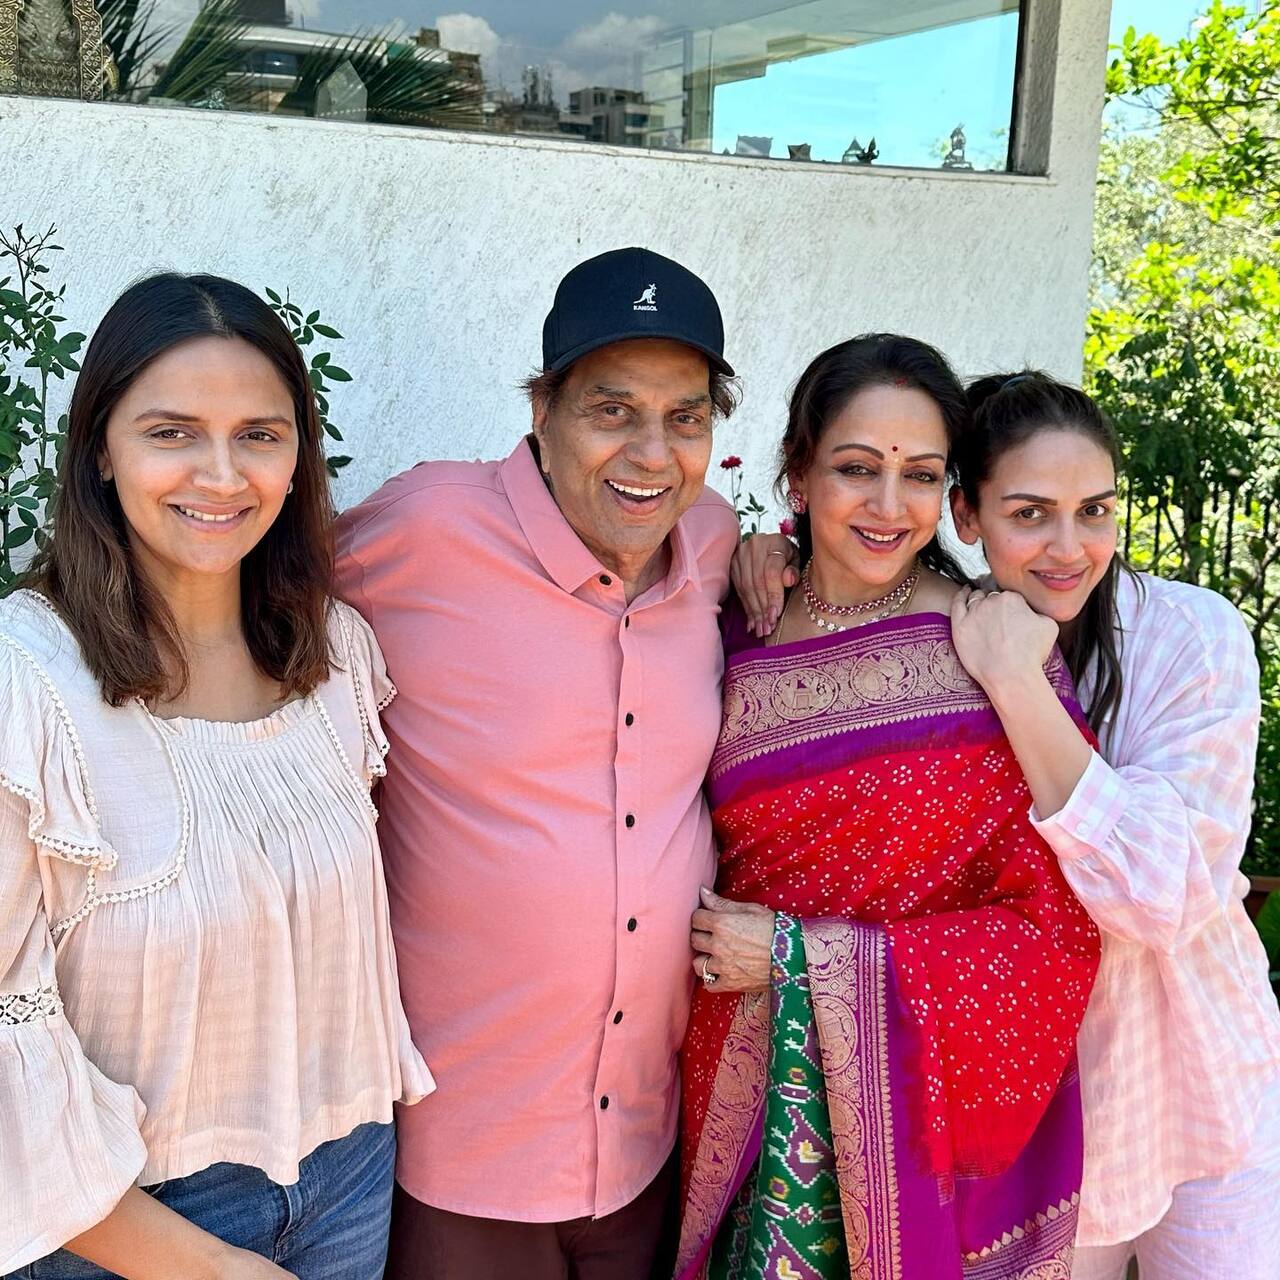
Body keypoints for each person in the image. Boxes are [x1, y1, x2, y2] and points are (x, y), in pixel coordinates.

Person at [0, 274, 433, 1279]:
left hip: (350, 1177)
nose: (222, 473)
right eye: (172, 433)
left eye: (259, 435)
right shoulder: (28, 681)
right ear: (100, 450)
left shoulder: (334, 655)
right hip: (120, 1222)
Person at [335, 247, 752, 1279]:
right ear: (542, 409)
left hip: (645, 1150)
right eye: (612, 410)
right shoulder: (425, 527)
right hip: (464, 1157)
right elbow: (247, 589)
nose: (651, 454)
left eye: (685, 418)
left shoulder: (711, 541)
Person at [679, 335, 1101, 1279]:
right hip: (743, 1093)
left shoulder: (990, 649)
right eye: (855, 468)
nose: (886, 505)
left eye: (919, 476)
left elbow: (1058, 927)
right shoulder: (727, 623)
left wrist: (798, 955)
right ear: (797, 472)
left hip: (921, 1122)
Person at [945, 372, 1280, 1280]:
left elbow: (1160, 894)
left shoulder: (1193, 637)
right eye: (1030, 514)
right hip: (1047, 1110)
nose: (1070, 547)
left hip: (1210, 1083)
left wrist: (1014, 682)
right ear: (967, 515)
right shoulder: (939, 645)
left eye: (1094, 511)